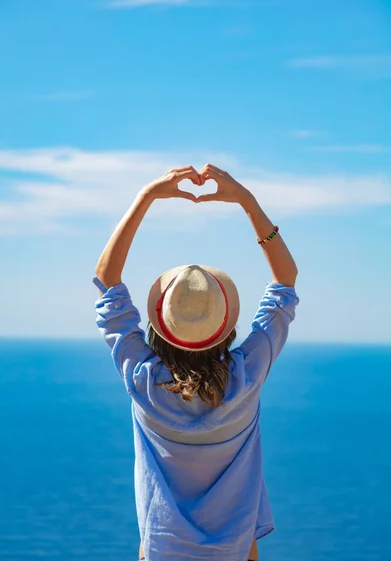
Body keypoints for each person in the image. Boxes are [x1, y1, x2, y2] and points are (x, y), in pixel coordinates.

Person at [93, 164, 299, 561]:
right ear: (225, 325)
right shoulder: (247, 374)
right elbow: (285, 282)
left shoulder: (144, 380)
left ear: (159, 323)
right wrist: (246, 201)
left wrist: (147, 196)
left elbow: (107, 278)